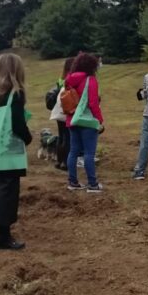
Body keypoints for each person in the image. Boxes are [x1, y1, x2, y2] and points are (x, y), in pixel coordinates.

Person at [0, 53, 31, 250]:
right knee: (7, 190)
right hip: (8, 149)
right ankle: (3, 235)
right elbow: (17, 124)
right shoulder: (15, 94)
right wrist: (27, 137)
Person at [64, 52, 105, 192]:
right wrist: (100, 120)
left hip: (73, 119)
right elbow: (93, 103)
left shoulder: (69, 79)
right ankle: (92, 184)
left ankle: (73, 182)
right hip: (87, 120)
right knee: (89, 153)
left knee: (73, 151)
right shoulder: (90, 80)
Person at [50, 58, 74, 170]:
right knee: (68, 137)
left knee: (61, 137)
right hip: (67, 109)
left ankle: (59, 161)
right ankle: (66, 162)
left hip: (58, 110)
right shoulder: (71, 78)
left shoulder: (61, 78)